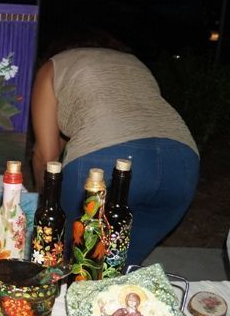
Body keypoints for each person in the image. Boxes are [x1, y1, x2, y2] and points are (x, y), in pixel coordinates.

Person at [31, 27, 199, 266]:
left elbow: (46, 156)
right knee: (119, 266)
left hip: (108, 161)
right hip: (182, 164)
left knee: (71, 262)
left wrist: (46, 206)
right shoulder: (135, 63)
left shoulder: (54, 66)